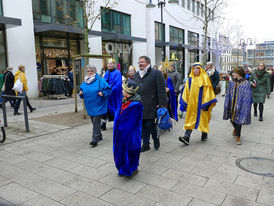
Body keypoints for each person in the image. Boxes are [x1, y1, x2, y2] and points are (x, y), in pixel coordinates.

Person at [133, 56, 167, 152]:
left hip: (152, 104)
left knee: (150, 125)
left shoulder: (156, 73)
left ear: (148, 63)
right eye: (139, 62)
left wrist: (162, 104)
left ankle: (156, 140)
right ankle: (146, 144)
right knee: (143, 125)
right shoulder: (136, 75)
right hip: (139, 105)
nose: (140, 64)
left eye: (142, 62)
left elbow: (161, 90)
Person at [179, 62, 217, 145]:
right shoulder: (189, 80)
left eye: (197, 68)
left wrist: (206, 103)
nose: (196, 70)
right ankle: (186, 137)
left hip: (202, 105)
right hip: (192, 105)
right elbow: (186, 92)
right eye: (194, 68)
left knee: (202, 120)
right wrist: (185, 103)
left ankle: (204, 133)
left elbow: (208, 92)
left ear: (200, 69)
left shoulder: (205, 79)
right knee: (190, 120)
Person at [113, 79, 143, 176]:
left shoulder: (137, 105)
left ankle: (131, 169)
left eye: (123, 90)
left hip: (130, 134)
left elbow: (132, 122)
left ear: (128, 92)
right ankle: (122, 167)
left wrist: (121, 127)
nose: (122, 91)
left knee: (130, 151)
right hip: (121, 132)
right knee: (121, 151)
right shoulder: (123, 101)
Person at [79, 65, 112, 147]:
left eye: (91, 71)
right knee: (94, 122)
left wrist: (103, 93)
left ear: (95, 71)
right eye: (88, 71)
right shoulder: (85, 81)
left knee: (96, 122)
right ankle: (99, 135)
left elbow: (109, 89)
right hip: (90, 105)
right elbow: (82, 91)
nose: (89, 72)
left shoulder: (100, 80)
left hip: (99, 105)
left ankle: (95, 139)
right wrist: (81, 94)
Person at [223, 66, 253, 145]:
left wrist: (246, 105)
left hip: (241, 105)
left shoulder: (245, 83)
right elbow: (228, 93)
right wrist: (227, 102)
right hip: (232, 104)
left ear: (239, 74)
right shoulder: (232, 82)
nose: (233, 74)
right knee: (232, 119)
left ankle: (238, 136)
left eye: (234, 73)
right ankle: (235, 128)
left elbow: (248, 96)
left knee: (239, 120)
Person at [101, 58, 122, 130]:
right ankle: (103, 124)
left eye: (111, 63)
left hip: (115, 95)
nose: (110, 65)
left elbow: (118, 84)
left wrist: (110, 91)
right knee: (105, 110)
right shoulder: (107, 72)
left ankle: (117, 124)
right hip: (107, 95)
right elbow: (104, 82)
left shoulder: (117, 72)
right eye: (109, 64)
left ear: (114, 65)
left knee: (116, 109)